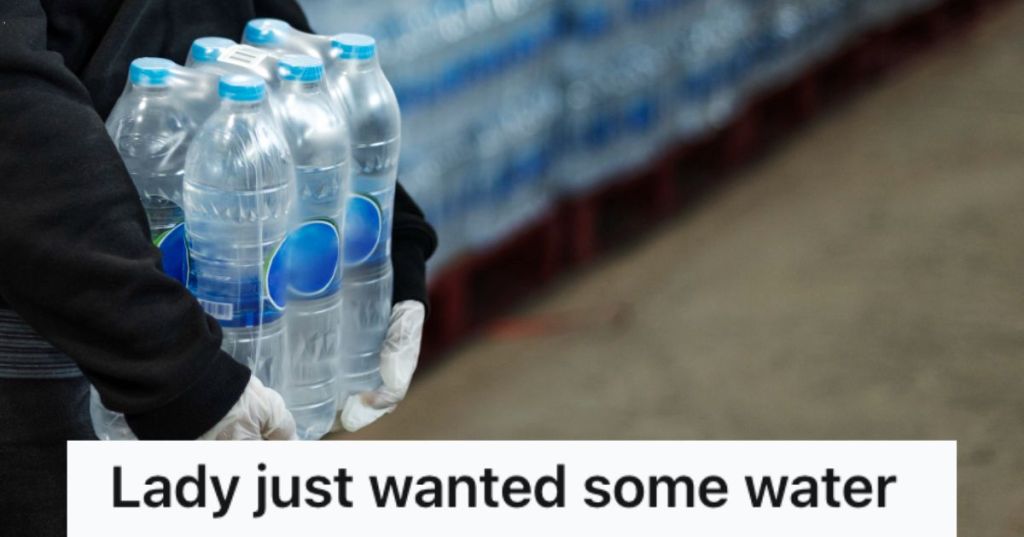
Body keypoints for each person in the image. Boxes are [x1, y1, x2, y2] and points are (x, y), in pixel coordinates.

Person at [0, 0, 437, 534]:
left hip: (198, 351)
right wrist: (174, 368)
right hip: (53, 375)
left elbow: (248, 20)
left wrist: (380, 227)